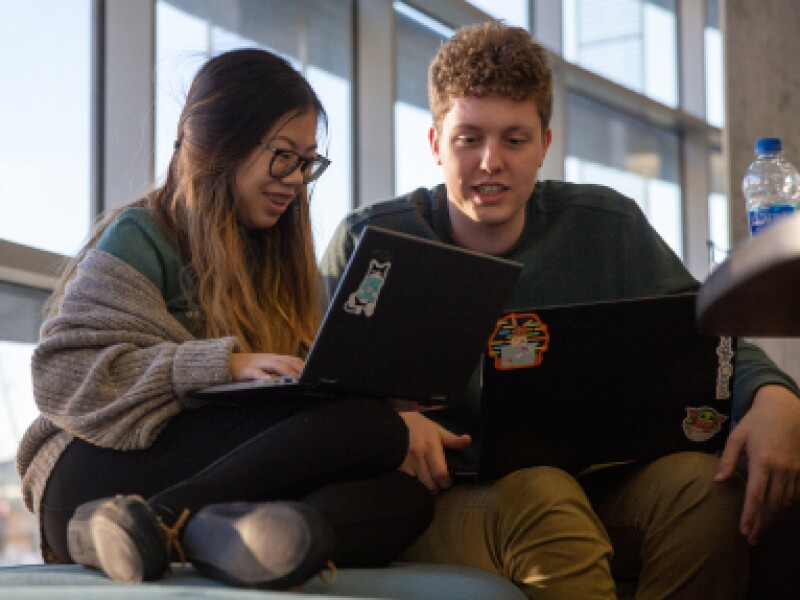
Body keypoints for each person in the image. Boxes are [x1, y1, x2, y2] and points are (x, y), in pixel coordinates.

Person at [320, 21, 800, 600]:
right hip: (441, 502)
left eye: (514, 140)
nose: (489, 162)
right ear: (434, 144)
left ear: (545, 145)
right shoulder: (371, 241)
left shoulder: (605, 224)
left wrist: (777, 397)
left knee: (704, 489)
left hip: (598, 480)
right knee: (546, 497)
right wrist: (391, 424)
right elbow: (316, 396)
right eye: (468, 139)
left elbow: (703, 337)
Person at [15, 48, 449, 591]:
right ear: (222, 144)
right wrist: (222, 365)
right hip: (93, 470)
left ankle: (211, 537)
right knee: (372, 429)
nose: (297, 178)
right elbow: (63, 374)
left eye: (308, 161)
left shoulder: (277, 262)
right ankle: (162, 519)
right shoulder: (144, 233)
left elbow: (280, 428)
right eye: (284, 155)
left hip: (203, 485)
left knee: (405, 499)